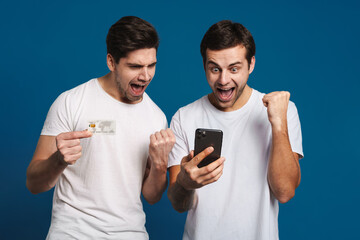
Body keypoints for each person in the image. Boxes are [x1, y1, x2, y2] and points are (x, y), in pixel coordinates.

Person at [26, 16, 175, 239]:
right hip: (72, 232)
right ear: (111, 62)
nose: (145, 76)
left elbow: (152, 197)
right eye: (135, 66)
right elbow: (34, 183)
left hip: (130, 232)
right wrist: (59, 160)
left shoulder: (156, 117)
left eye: (151, 65)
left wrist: (161, 164)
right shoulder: (71, 102)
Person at [167, 20, 303, 240]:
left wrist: (278, 124)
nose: (223, 80)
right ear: (204, 66)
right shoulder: (184, 117)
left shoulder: (283, 111)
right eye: (215, 69)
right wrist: (185, 183)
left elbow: (285, 192)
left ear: (251, 64)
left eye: (234, 69)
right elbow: (177, 204)